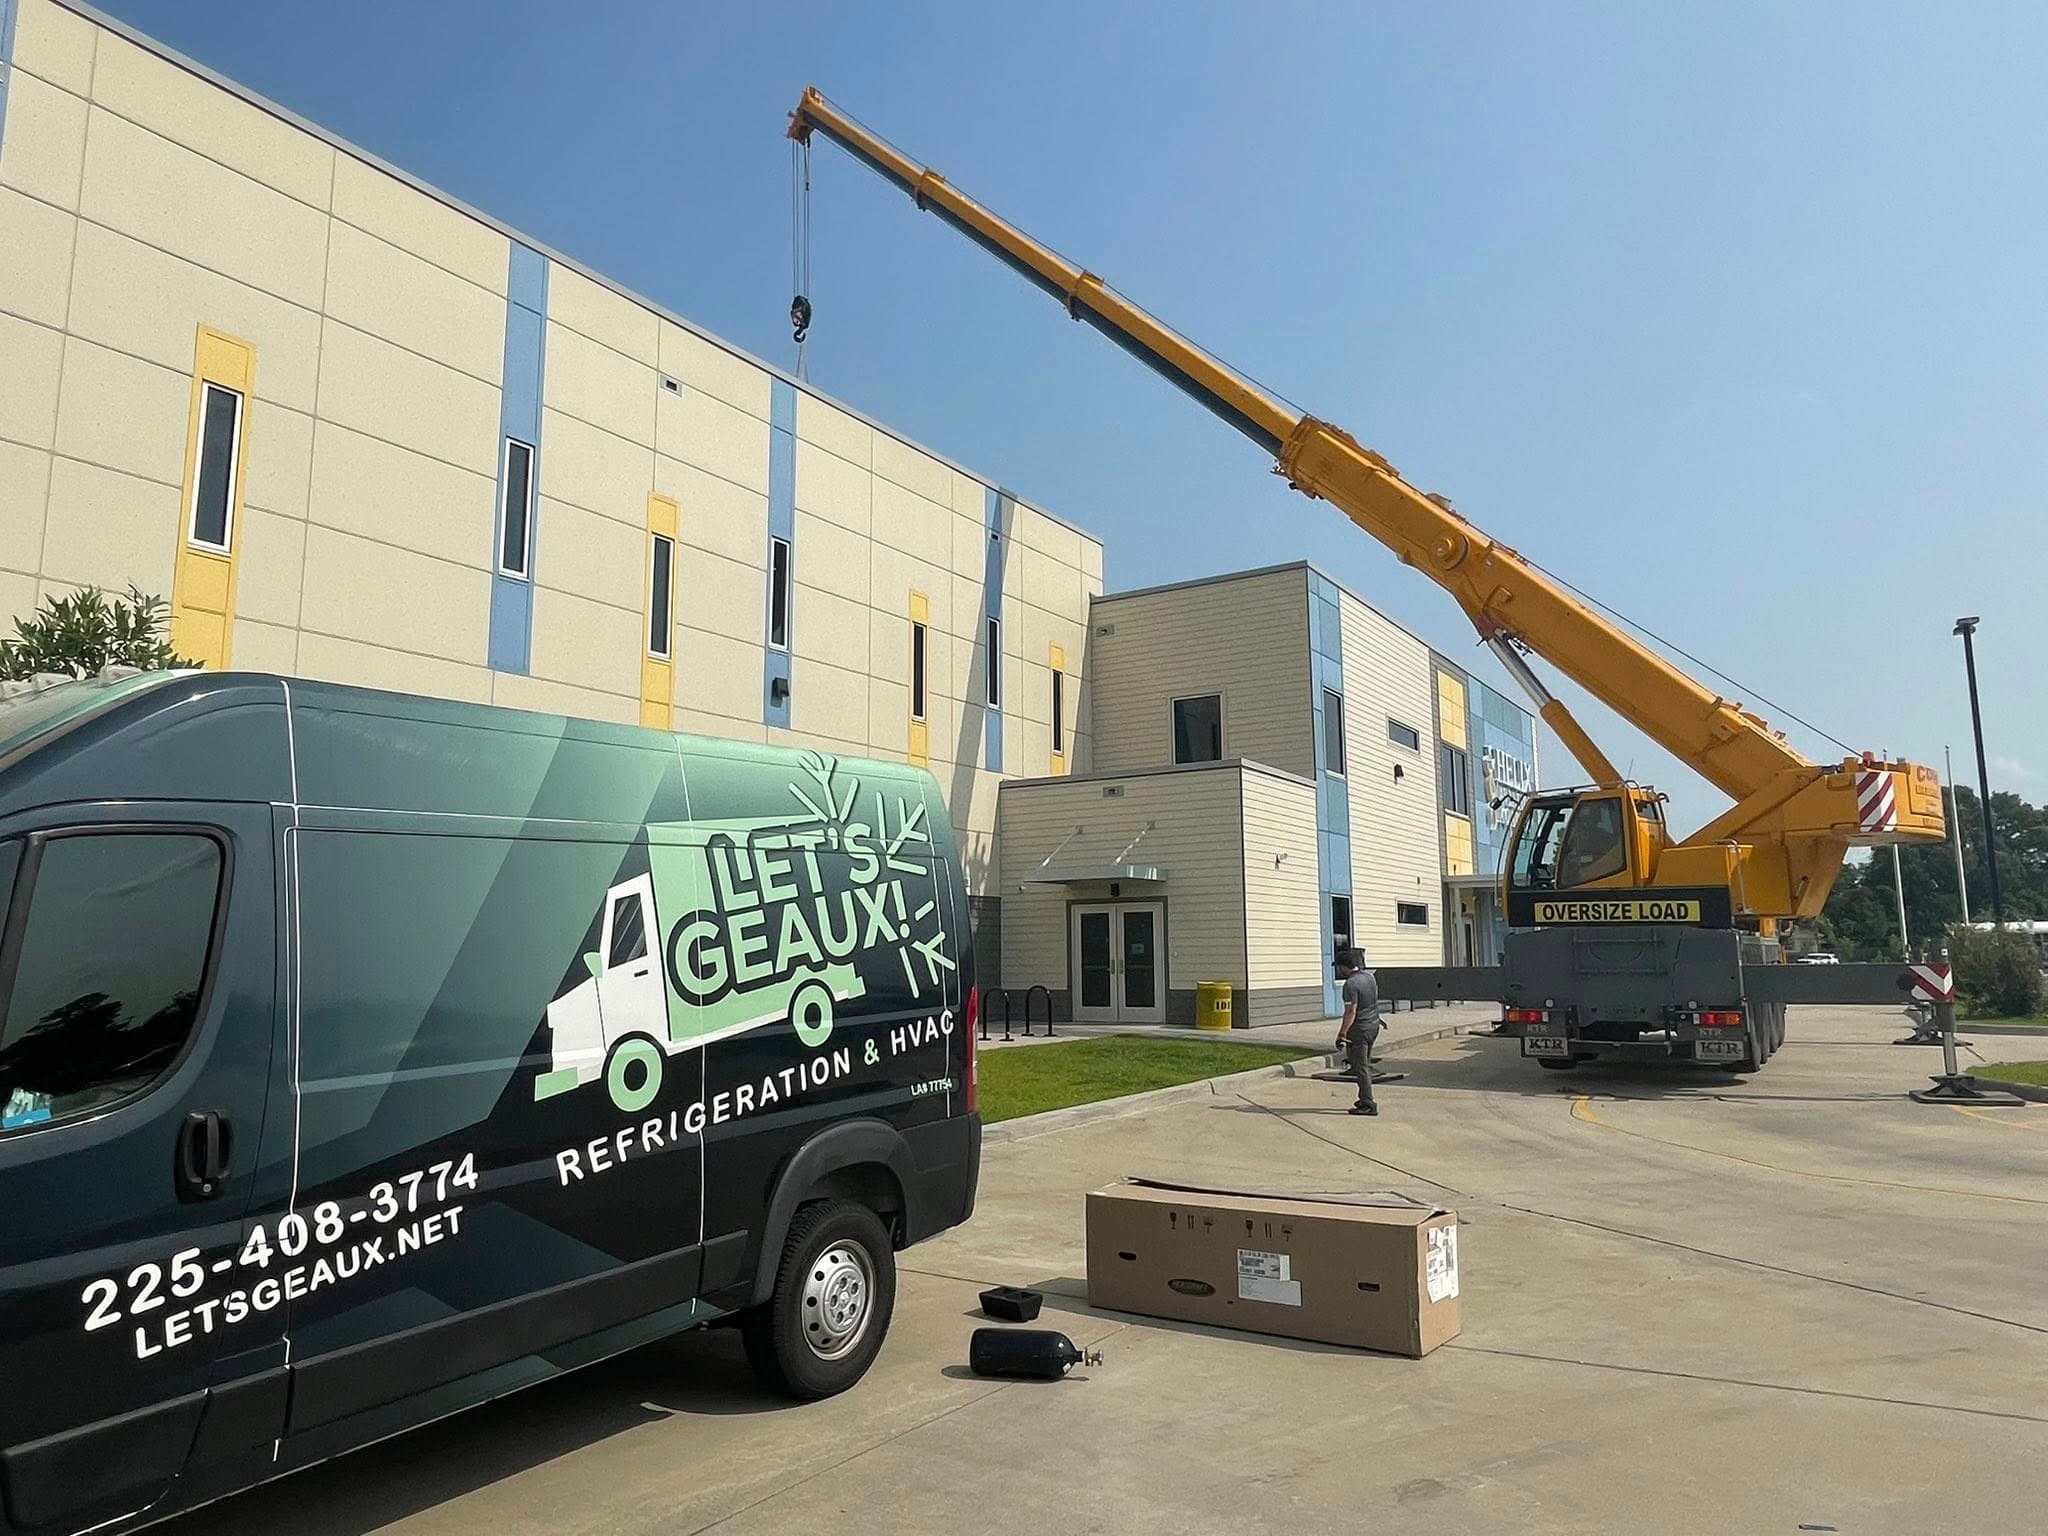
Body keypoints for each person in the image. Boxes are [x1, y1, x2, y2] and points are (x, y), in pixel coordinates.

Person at [1334, 947, 1382, 1117]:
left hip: (1359, 1029)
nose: (1337, 970)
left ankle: (1368, 1103)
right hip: (1373, 1026)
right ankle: (1363, 1099)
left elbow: (1351, 1011)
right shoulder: (1369, 978)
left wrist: (1342, 1033)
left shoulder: (1350, 984)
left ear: (1344, 966)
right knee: (1364, 1065)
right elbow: (1373, 1002)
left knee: (1360, 1067)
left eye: (1338, 966)